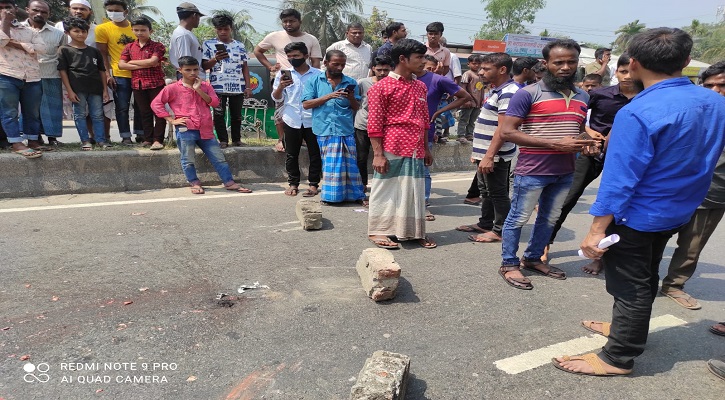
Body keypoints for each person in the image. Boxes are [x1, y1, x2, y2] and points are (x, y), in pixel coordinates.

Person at [554, 28, 725, 377]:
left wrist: (596, 231)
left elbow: (619, 179)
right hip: (678, 210)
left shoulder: (638, 111)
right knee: (645, 274)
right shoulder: (716, 103)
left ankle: (618, 356)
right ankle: (627, 328)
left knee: (629, 285)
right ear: (686, 61)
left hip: (637, 216)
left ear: (633, 64)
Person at [496, 39, 598, 290]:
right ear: (546, 63)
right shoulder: (528, 93)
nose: (565, 67)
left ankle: (532, 258)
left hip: (565, 171)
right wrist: (554, 144)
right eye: (558, 62)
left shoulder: (583, 96)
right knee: (518, 218)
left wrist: (587, 141)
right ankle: (509, 264)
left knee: (549, 218)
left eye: (571, 62)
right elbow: (507, 132)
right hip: (532, 170)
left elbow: (574, 128)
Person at [547, 54, 641, 271]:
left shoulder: (646, 98)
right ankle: (544, 244)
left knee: (617, 206)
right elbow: (576, 116)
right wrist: (588, 132)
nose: (627, 76)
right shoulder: (600, 94)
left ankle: (600, 256)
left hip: (625, 159)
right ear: (616, 73)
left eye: (631, 72)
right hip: (591, 153)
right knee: (566, 198)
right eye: (622, 71)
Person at [659, 61, 725, 310]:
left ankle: (674, 284)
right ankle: (635, 281)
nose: (715, 91)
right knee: (649, 238)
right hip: (672, 189)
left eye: (722, 85)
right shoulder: (689, 111)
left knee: (692, 245)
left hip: (712, 194)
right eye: (709, 85)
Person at [366, 39, 436, 250]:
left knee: (414, 190)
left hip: (416, 147)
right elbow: (374, 124)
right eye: (419, 57)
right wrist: (378, 154)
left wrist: (426, 148)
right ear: (403, 59)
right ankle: (378, 230)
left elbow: (424, 120)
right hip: (392, 145)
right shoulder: (381, 87)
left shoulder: (420, 86)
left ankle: (412, 231)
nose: (423, 62)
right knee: (385, 188)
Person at [151, 56, 252, 195]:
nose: (192, 73)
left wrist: (198, 89)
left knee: (218, 158)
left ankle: (229, 182)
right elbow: (156, 104)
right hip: (186, 128)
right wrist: (171, 120)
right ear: (180, 70)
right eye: (188, 70)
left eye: (195, 69)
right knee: (188, 159)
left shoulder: (205, 86)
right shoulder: (172, 88)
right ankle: (194, 182)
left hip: (206, 129)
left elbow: (215, 103)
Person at [456, 52, 522, 244]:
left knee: (498, 192)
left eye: (486, 69)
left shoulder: (509, 92)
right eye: (481, 68)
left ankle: (501, 230)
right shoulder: (497, 90)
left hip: (496, 155)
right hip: (485, 152)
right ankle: (486, 223)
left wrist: (489, 156)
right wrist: (479, 153)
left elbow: (503, 129)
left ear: (502, 70)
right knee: (486, 191)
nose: (481, 72)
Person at [301, 50, 366, 204]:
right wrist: (329, 96)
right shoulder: (314, 81)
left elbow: (356, 107)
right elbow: (306, 104)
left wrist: (351, 97)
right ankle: (332, 197)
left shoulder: (350, 82)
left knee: (350, 166)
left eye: (342, 65)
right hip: (324, 129)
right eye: (336, 64)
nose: (339, 67)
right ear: (326, 63)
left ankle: (355, 195)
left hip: (345, 129)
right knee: (331, 167)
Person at [253, 9, 322, 153]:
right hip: (284, 78)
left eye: (292, 21)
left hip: (306, 78)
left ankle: (304, 137)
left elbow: (316, 61)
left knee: (304, 108)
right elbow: (257, 51)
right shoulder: (274, 36)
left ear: (299, 21)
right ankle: (281, 139)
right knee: (281, 109)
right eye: (285, 21)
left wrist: (314, 78)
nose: (288, 24)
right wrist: (270, 67)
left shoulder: (311, 39)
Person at [418, 54, 473, 220]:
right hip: (403, 132)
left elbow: (465, 96)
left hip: (426, 131)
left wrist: (439, 112)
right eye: (426, 67)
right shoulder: (407, 79)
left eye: (431, 68)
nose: (428, 70)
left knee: (423, 169)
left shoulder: (438, 80)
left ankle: (423, 204)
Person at [56, 0, 112, 145]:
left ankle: (101, 140)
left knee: (97, 114)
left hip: (95, 88)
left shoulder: (94, 51)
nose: (80, 34)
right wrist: (69, 90)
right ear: (67, 32)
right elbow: (63, 71)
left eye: (83, 31)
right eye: (76, 31)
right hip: (77, 89)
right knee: (79, 114)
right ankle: (85, 140)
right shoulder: (64, 50)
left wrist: (105, 90)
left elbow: (101, 70)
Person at [271, 42, 322, 197]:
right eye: (289, 56)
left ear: (306, 56)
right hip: (291, 119)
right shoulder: (283, 74)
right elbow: (276, 97)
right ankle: (293, 184)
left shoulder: (318, 74)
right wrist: (281, 86)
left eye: (296, 55)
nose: (292, 58)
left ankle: (313, 184)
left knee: (315, 154)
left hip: (312, 119)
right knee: (291, 154)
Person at [0, 0, 45, 159]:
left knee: (32, 111)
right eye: (1, 8)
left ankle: (32, 140)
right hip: (7, 74)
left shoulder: (29, 30)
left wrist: (15, 43)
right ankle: (16, 143)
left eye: (8, 7)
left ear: (16, 9)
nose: (5, 11)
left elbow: (41, 48)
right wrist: (5, 23)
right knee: (9, 112)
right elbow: (2, 41)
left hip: (32, 76)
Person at [202, 13, 252, 148]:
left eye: (226, 29)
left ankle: (237, 139)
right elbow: (204, 66)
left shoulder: (240, 45)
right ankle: (223, 140)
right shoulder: (208, 44)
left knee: (237, 115)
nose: (223, 32)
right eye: (220, 29)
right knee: (219, 114)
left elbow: (245, 67)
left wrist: (248, 87)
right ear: (215, 29)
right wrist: (215, 59)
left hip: (238, 86)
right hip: (217, 86)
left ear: (231, 29)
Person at [118, 17, 166, 150]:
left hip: (156, 83)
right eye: (136, 30)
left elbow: (153, 61)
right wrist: (146, 63)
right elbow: (121, 65)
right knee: (144, 113)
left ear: (150, 31)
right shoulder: (129, 47)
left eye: (143, 30)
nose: (139, 33)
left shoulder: (158, 46)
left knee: (159, 112)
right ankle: (148, 139)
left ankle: (158, 139)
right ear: (132, 30)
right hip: (138, 84)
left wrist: (131, 62)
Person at [22, 0, 64, 147]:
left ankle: (52, 138)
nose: (39, 14)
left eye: (44, 12)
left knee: (53, 109)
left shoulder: (58, 34)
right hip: (25, 76)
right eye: (35, 10)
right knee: (30, 109)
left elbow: (62, 57)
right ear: (27, 10)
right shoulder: (17, 29)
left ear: (49, 14)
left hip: (51, 75)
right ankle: (34, 137)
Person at [95, 0, 137, 145]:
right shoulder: (102, 29)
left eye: (117, 10)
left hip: (139, 73)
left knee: (140, 107)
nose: (113, 13)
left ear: (125, 12)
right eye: (110, 10)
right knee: (122, 107)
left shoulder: (135, 27)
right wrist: (107, 74)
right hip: (119, 74)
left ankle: (141, 134)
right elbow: (102, 54)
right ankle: (125, 136)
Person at [354, 55, 392, 188]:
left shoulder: (393, 84)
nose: (382, 73)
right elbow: (356, 102)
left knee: (385, 157)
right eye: (379, 70)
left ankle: (383, 186)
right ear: (373, 69)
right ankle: (362, 185)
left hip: (384, 126)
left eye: (386, 70)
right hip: (363, 125)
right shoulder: (362, 83)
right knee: (361, 157)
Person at [169, 2, 205, 79]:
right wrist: (193, 80)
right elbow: (186, 62)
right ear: (194, 15)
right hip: (191, 77)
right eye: (199, 17)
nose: (199, 20)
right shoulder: (183, 35)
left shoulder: (185, 33)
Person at [456, 54, 483, 144]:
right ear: (469, 64)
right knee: (464, 119)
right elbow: (463, 87)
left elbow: (481, 89)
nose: (476, 65)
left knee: (472, 120)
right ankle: (461, 135)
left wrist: (481, 100)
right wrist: (466, 100)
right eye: (474, 63)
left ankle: (469, 134)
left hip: (477, 102)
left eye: (478, 63)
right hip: (468, 102)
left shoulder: (480, 75)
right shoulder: (467, 74)